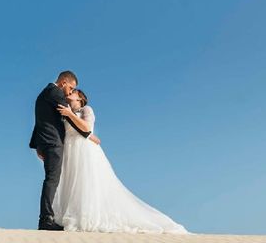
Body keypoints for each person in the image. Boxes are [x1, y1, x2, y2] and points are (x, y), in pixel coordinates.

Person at [52, 89, 188, 234]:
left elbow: (86, 127)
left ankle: (85, 217)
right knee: (70, 183)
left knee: (85, 182)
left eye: (73, 91)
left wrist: (71, 116)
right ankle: (71, 214)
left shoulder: (86, 109)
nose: (69, 93)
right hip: (70, 149)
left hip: (84, 151)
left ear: (80, 98)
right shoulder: (64, 111)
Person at [29, 71, 100, 231]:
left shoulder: (43, 94)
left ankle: (49, 218)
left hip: (50, 143)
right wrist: (88, 135)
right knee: (53, 180)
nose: (70, 92)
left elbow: (39, 122)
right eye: (71, 88)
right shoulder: (55, 93)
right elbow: (69, 117)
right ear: (63, 82)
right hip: (54, 143)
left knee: (56, 180)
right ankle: (46, 219)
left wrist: (38, 145)